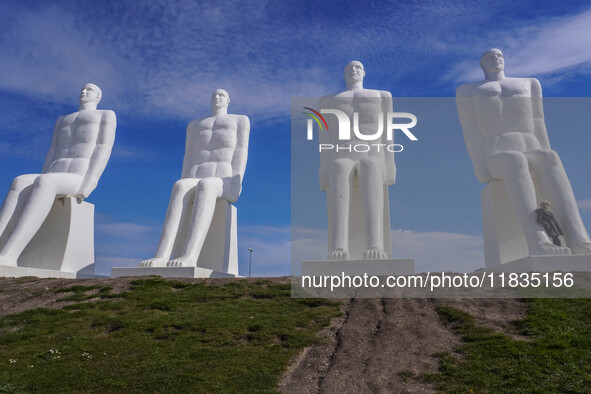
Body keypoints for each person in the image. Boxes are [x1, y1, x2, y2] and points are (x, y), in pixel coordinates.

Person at [456, 48, 591, 255]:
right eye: (489, 57)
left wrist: (544, 147)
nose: (495, 59)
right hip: (497, 154)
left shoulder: (530, 84)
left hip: (531, 145)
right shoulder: (468, 90)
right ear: (481, 64)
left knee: (550, 156)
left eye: (499, 55)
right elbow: (470, 129)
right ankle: (538, 239)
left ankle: (578, 236)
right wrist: (479, 163)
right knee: (515, 160)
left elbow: (538, 120)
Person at [0, 83, 116, 266]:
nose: (84, 92)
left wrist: (90, 182)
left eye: (90, 90)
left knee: (45, 182)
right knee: (19, 181)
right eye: (82, 89)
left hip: (77, 176)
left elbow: (103, 148)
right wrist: (41, 175)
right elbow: (53, 150)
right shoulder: (63, 120)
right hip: (54, 172)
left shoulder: (105, 115)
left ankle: (10, 254)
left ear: (98, 96)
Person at [140, 89, 250, 267]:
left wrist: (237, 184)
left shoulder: (239, 120)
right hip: (196, 178)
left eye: (222, 95)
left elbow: (241, 152)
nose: (217, 97)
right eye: (214, 94)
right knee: (179, 186)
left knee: (207, 185)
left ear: (228, 100)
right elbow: (188, 156)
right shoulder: (194, 125)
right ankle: (161, 255)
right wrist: (186, 184)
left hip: (226, 181)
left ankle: (190, 256)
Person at [319, 61, 395, 260]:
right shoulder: (328, 100)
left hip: (372, 151)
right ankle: (339, 247)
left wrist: (390, 163)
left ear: (364, 73)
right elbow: (324, 135)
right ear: (344, 74)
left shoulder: (381, 96)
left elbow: (387, 131)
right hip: (341, 152)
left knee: (369, 166)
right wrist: (323, 167)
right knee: (339, 167)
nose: (353, 70)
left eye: (357, 67)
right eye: (349, 68)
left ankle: (375, 244)